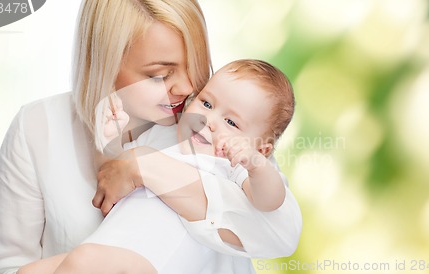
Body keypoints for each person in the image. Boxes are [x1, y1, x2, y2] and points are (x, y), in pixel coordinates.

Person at [0, 0, 301, 274]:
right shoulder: (37, 126)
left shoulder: (233, 141)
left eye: (196, 65)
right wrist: (112, 143)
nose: (189, 88)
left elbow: (278, 232)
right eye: (161, 75)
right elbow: (111, 173)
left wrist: (145, 167)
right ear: (105, 63)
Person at [18, 59, 297, 274]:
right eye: (207, 103)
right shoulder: (161, 137)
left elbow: (269, 202)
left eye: (232, 123)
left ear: (262, 147)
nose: (210, 120)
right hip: (112, 243)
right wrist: (109, 140)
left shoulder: (232, 167)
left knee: (85, 260)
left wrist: (257, 166)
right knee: (30, 271)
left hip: (152, 259)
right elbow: (113, 176)